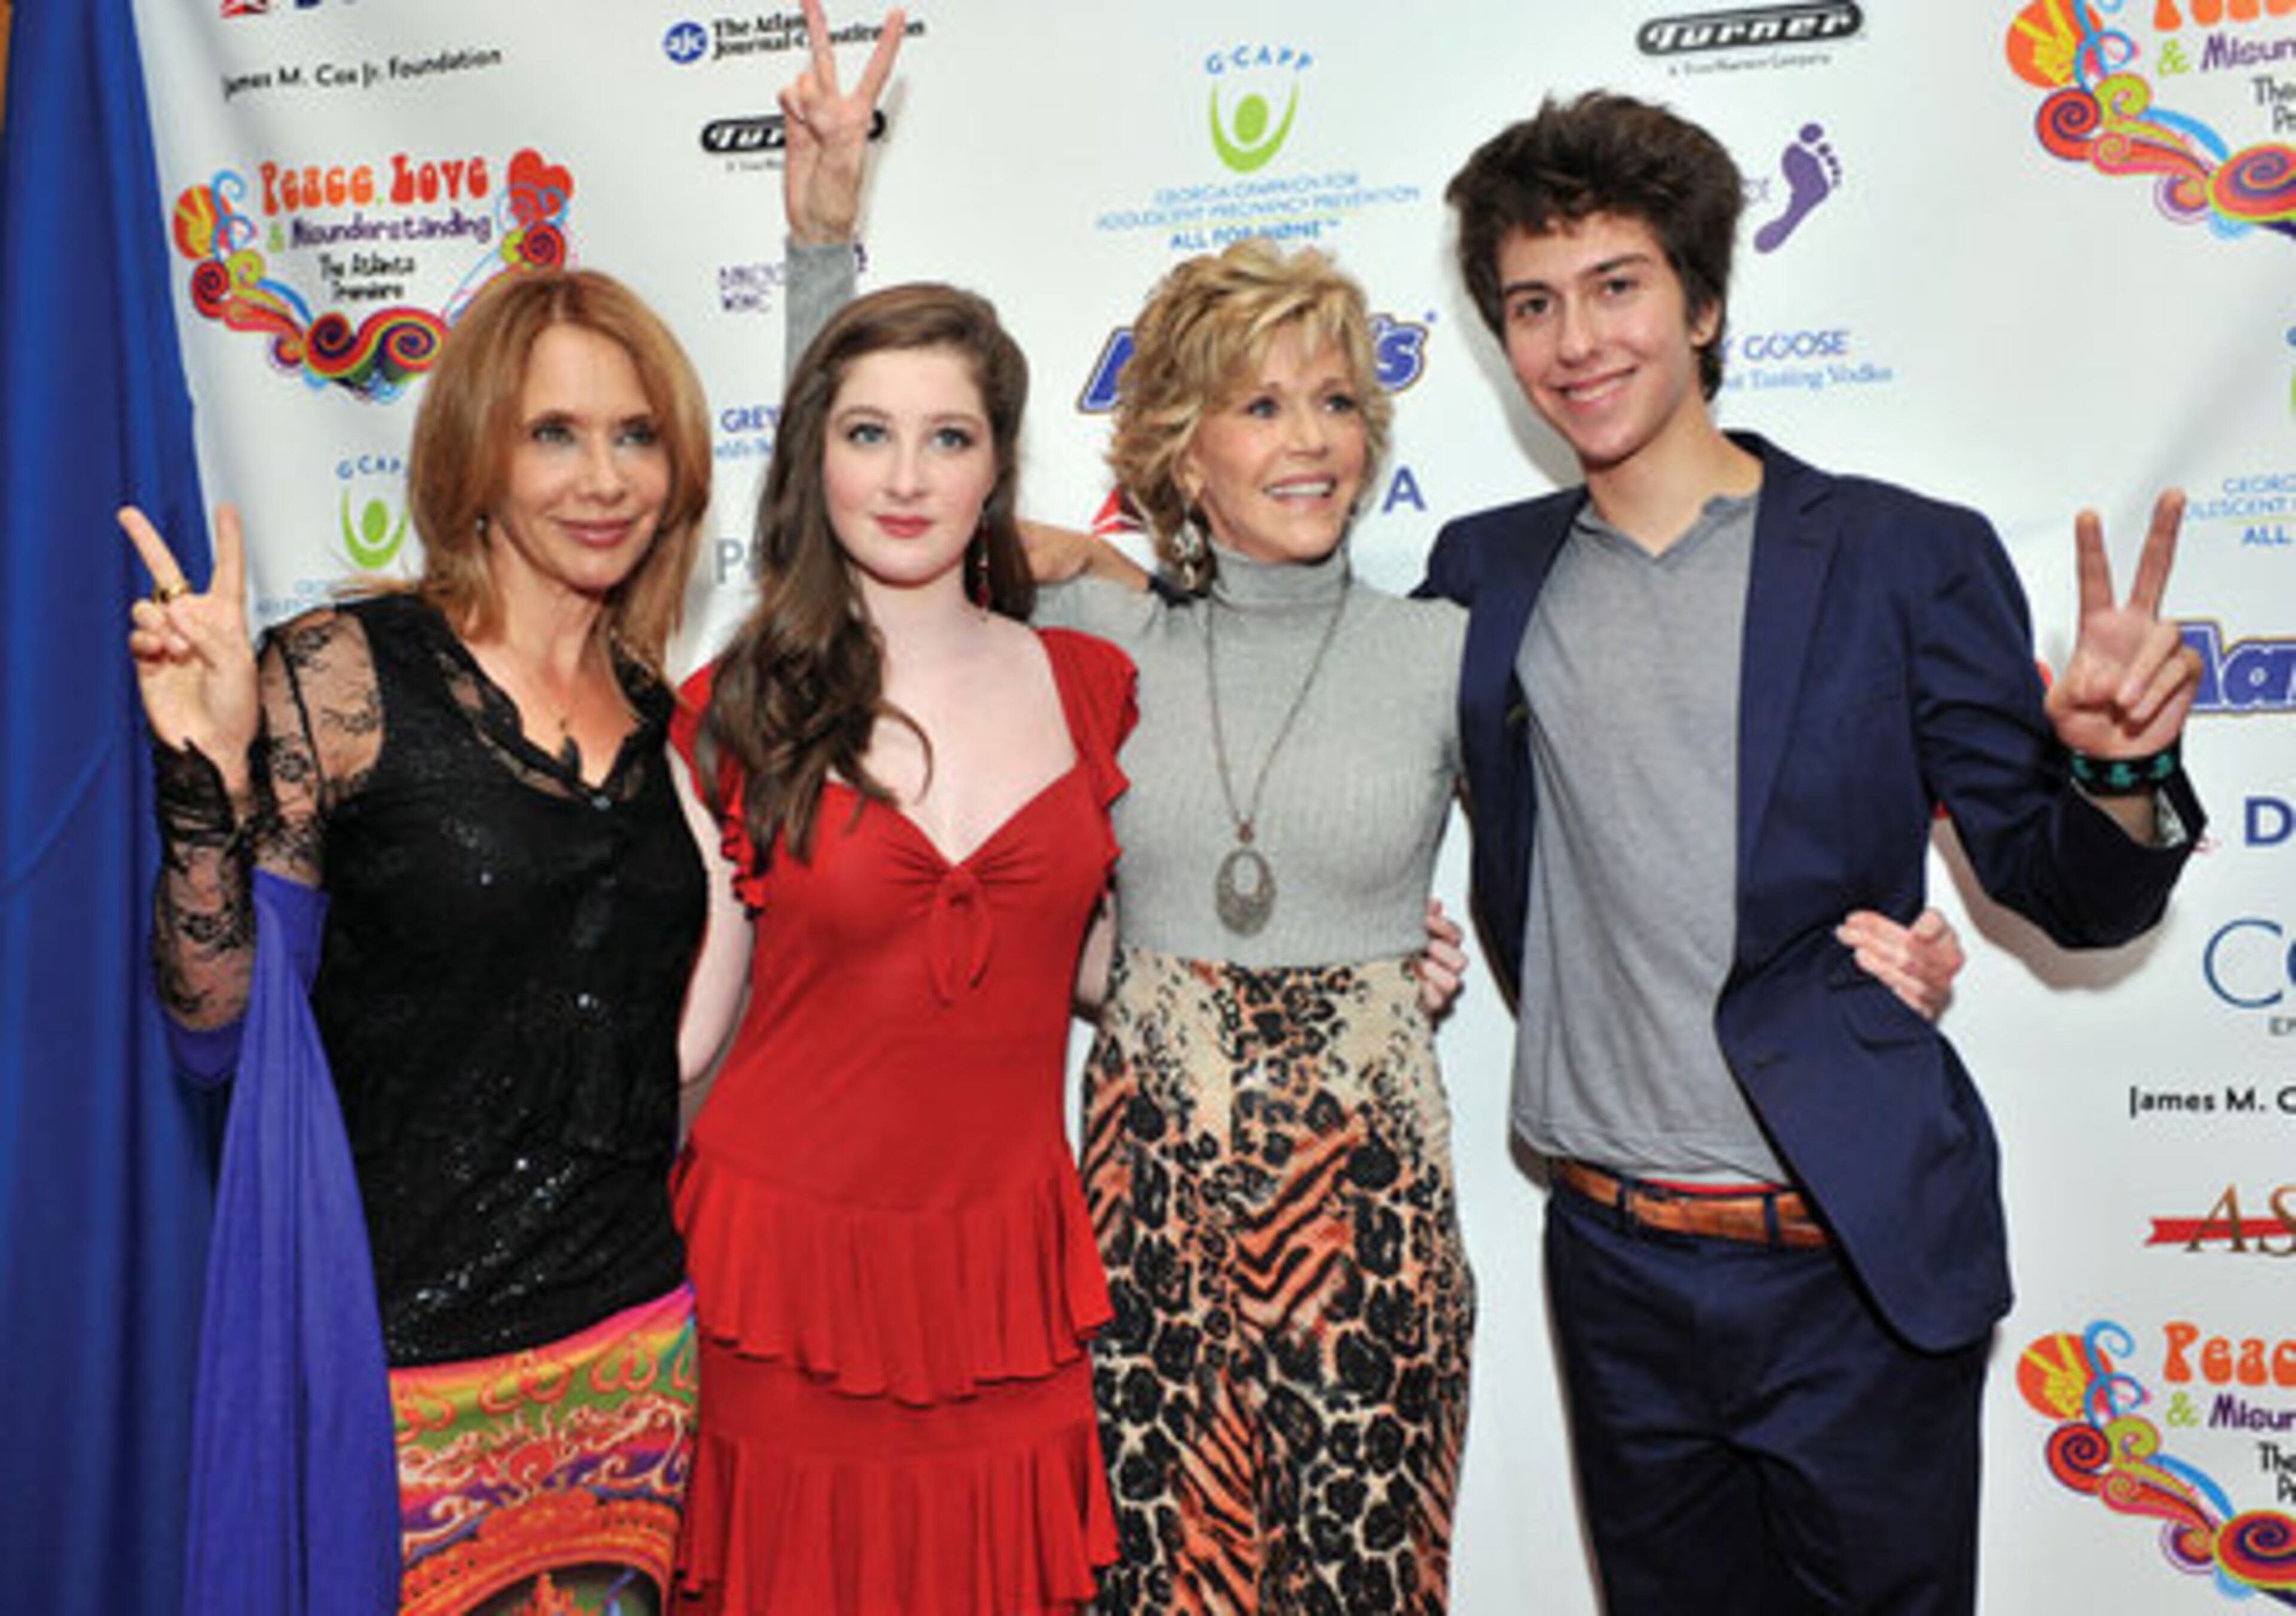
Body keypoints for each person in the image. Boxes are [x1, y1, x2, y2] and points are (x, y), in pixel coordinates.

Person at [1006, 242, 1965, 1612]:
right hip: (1147, 1220)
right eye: (1262, 405)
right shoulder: (1088, 630)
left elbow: (1643, 832)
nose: (1313, 441)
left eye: (1338, 402)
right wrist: (825, 242)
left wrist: (1859, 957)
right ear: (1179, 444)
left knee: (1367, 1584)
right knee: (1155, 1580)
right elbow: (857, 534)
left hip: (1369, 1225)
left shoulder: (1449, 644)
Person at [1422, 91, 2206, 1614]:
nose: (1577, 340)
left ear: (1706, 301)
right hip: (1613, 1259)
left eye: (1618, 285)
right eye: (1533, 303)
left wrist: (2119, 763)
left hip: (1849, 1257)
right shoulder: (1482, 576)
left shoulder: (1905, 554)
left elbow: (2063, 888)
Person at [124, 264, 718, 1608]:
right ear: (476, 461)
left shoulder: (657, 710)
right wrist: (203, 783)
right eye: (553, 433)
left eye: (635, 435)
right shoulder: (344, 677)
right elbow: (210, 1023)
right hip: (398, 1367)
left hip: (627, 1352)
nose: (602, 476)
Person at [669, 281, 1129, 1614]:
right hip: (782, 1268)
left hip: (1004, 1276)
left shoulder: (1095, 689)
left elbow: (1094, 964)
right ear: (815, 455)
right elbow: (695, 1020)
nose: (908, 477)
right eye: (869, 433)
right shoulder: (734, 703)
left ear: (1000, 464)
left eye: (951, 437)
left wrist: (1355, 967)